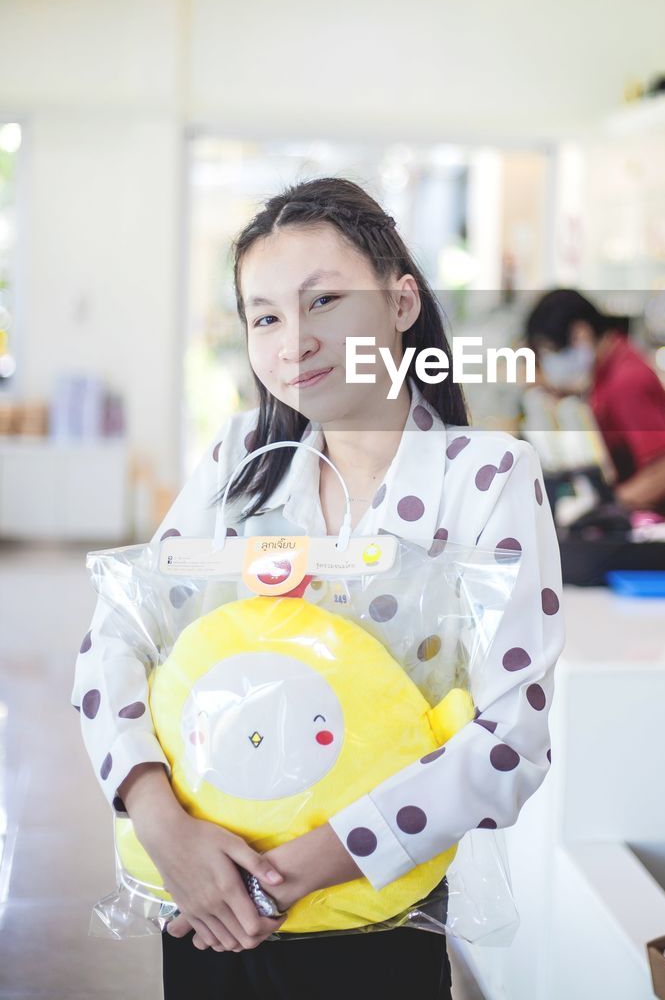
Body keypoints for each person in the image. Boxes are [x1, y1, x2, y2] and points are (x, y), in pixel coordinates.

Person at [72, 177, 564, 1000]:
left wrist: (283, 876)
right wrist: (164, 828)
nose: (291, 340)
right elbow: (114, 645)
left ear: (402, 303)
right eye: (264, 315)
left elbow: (509, 741)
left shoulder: (485, 477)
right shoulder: (238, 463)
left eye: (324, 301)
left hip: (367, 915)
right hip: (203, 903)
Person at [524, 288, 665, 525]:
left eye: (550, 351)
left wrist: (605, 508)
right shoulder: (605, 374)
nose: (550, 363)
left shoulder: (626, 383)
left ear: (579, 334)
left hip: (660, 536)